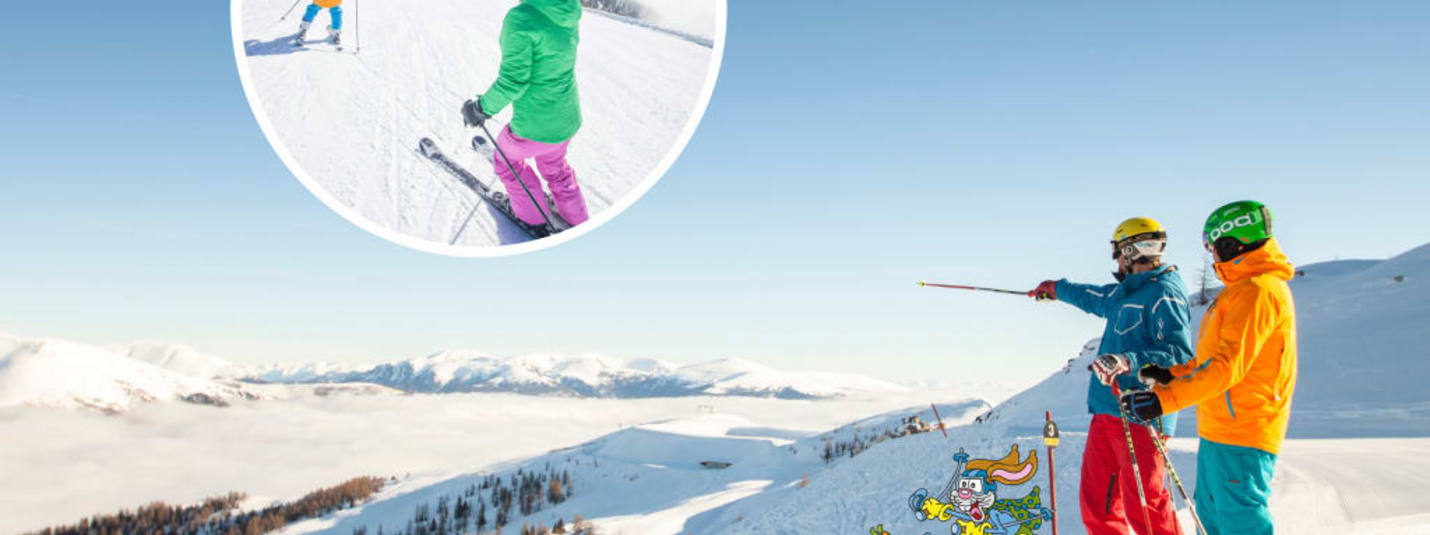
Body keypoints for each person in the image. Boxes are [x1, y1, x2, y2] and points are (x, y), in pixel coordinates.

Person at [1120, 200, 1297, 535]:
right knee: (1211, 520)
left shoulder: (1258, 292)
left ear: (1232, 243)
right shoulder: (1240, 291)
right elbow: (1209, 363)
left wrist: (1164, 401)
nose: (1211, 255)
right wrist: (1169, 375)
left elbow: (1228, 368)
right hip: (1220, 430)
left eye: (1212, 246)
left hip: (1244, 433)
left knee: (1239, 523)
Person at [1028, 217, 1194, 535]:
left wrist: (1126, 360)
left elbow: (1179, 356)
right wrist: (1056, 289)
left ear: (1131, 251)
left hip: (1142, 414)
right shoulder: (1126, 293)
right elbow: (1092, 296)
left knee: (1145, 507)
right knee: (1097, 506)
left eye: (1118, 253)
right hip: (1107, 411)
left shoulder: (1165, 294)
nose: (1116, 261)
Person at [460, 0, 589, 230]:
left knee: (506, 161)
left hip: (535, 128)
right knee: (555, 166)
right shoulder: (568, 8)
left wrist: (480, 108)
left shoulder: (522, 17)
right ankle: (577, 220)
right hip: (567, 119)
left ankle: (532, 217)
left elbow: (513, 82)